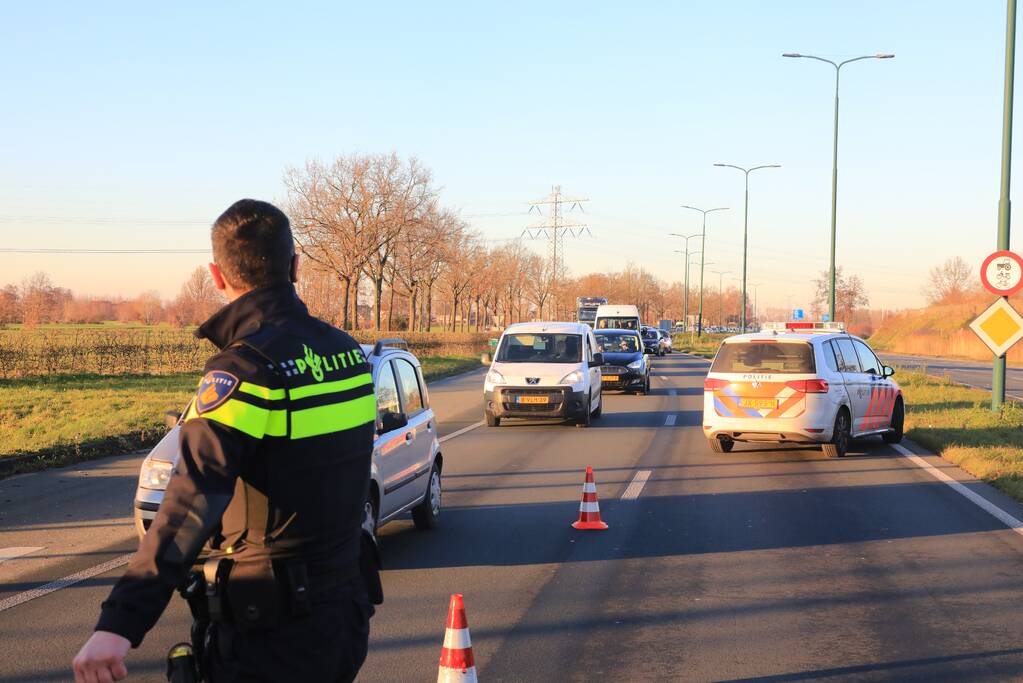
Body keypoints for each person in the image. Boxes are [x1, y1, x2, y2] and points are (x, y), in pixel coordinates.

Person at [73, 199, 378, 682]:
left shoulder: (244, 371)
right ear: (295, 265)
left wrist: (118, 625)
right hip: (344, 617)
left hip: (270, 637)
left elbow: (191, 499)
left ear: (216, 276)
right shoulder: (349, 355)